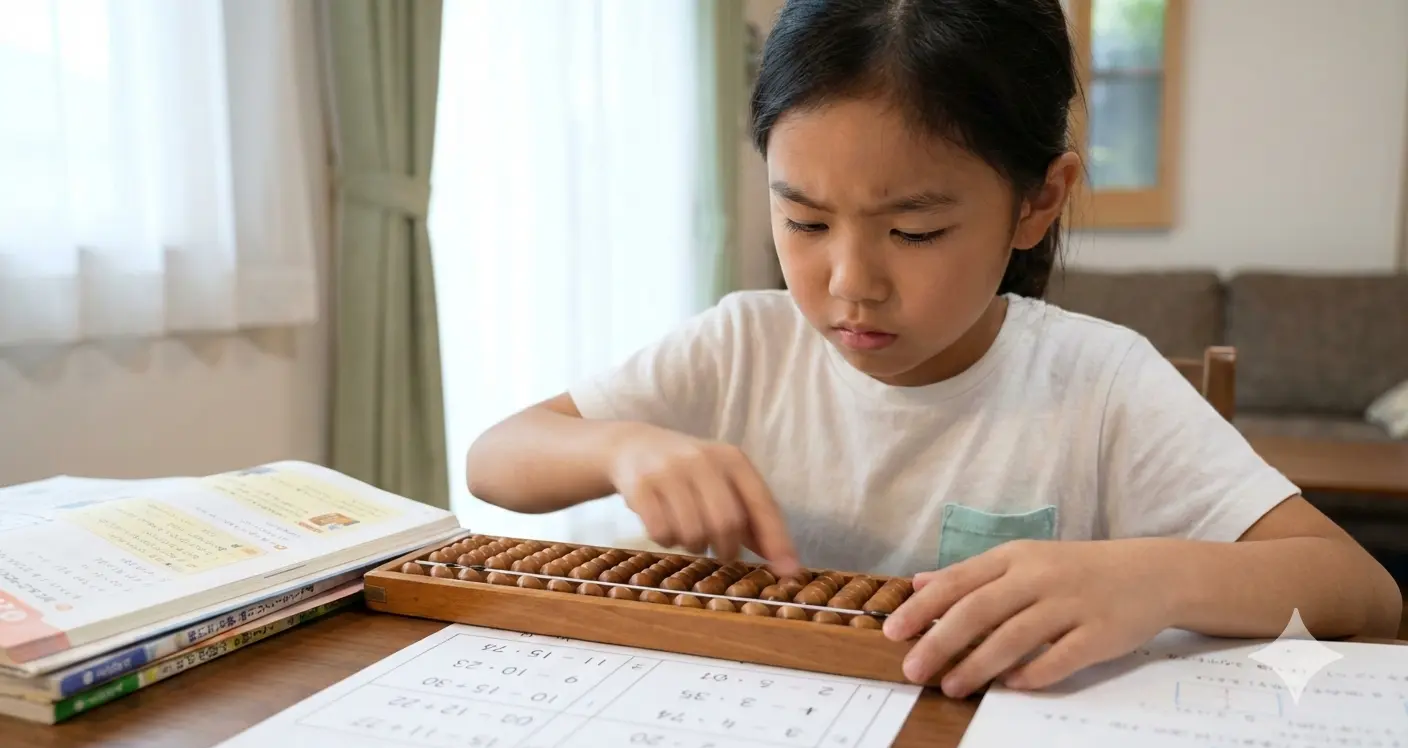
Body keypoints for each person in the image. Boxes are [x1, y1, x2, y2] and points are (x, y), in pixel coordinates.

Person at [465, 0, 1402, 697]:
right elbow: (495, 460)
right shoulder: (743, 344)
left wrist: (1150, 577)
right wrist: (623, 445)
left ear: (1037, 200)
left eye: (912, 233)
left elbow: (1360, 592)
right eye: (803, 220)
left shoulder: (1099, 380)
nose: (849, 283)